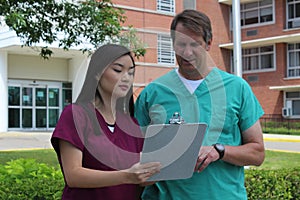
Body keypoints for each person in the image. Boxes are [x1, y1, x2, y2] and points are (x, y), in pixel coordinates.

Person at [134, 10, 265, 199]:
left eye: (195, 44)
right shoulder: (152, 94)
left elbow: (257, 153)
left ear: (209, 43)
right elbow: (134, 157)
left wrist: (219, 151)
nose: (187, 53)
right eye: (181, 44)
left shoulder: (237, 88)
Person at [51, 44, 161, 200]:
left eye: (131, 72)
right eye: (118, 70)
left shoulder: (131, 124)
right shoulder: (76, 115)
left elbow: (139, 175)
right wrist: (126, 176)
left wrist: (154, 173)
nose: (126, 78)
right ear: (97, 73)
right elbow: (73, 175)